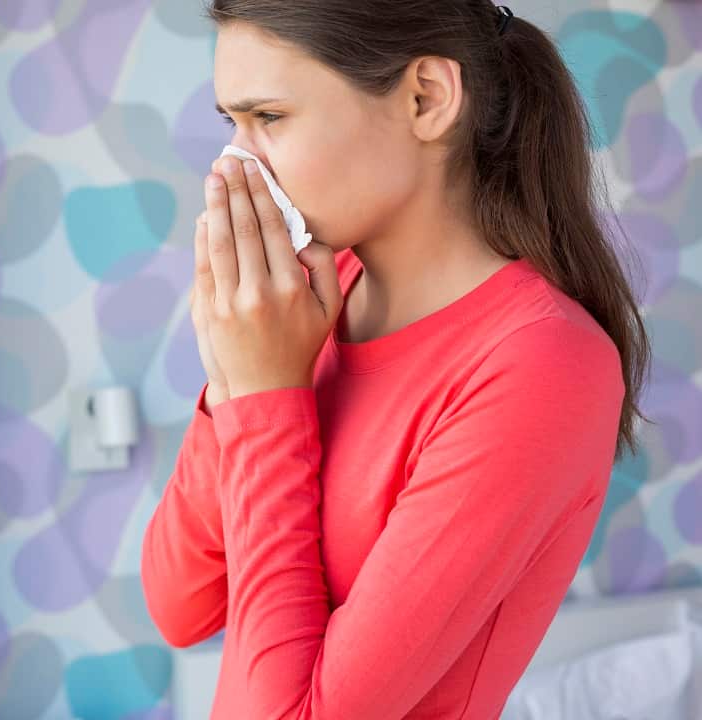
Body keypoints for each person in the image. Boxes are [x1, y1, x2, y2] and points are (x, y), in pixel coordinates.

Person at [140, 2, 655, 718]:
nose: (234, 166)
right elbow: (180, 605)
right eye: (232, 123)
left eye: (271, 119)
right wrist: (234, 374)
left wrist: (265, 393)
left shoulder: (540, 365)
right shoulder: (311, 303)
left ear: (426, 98)